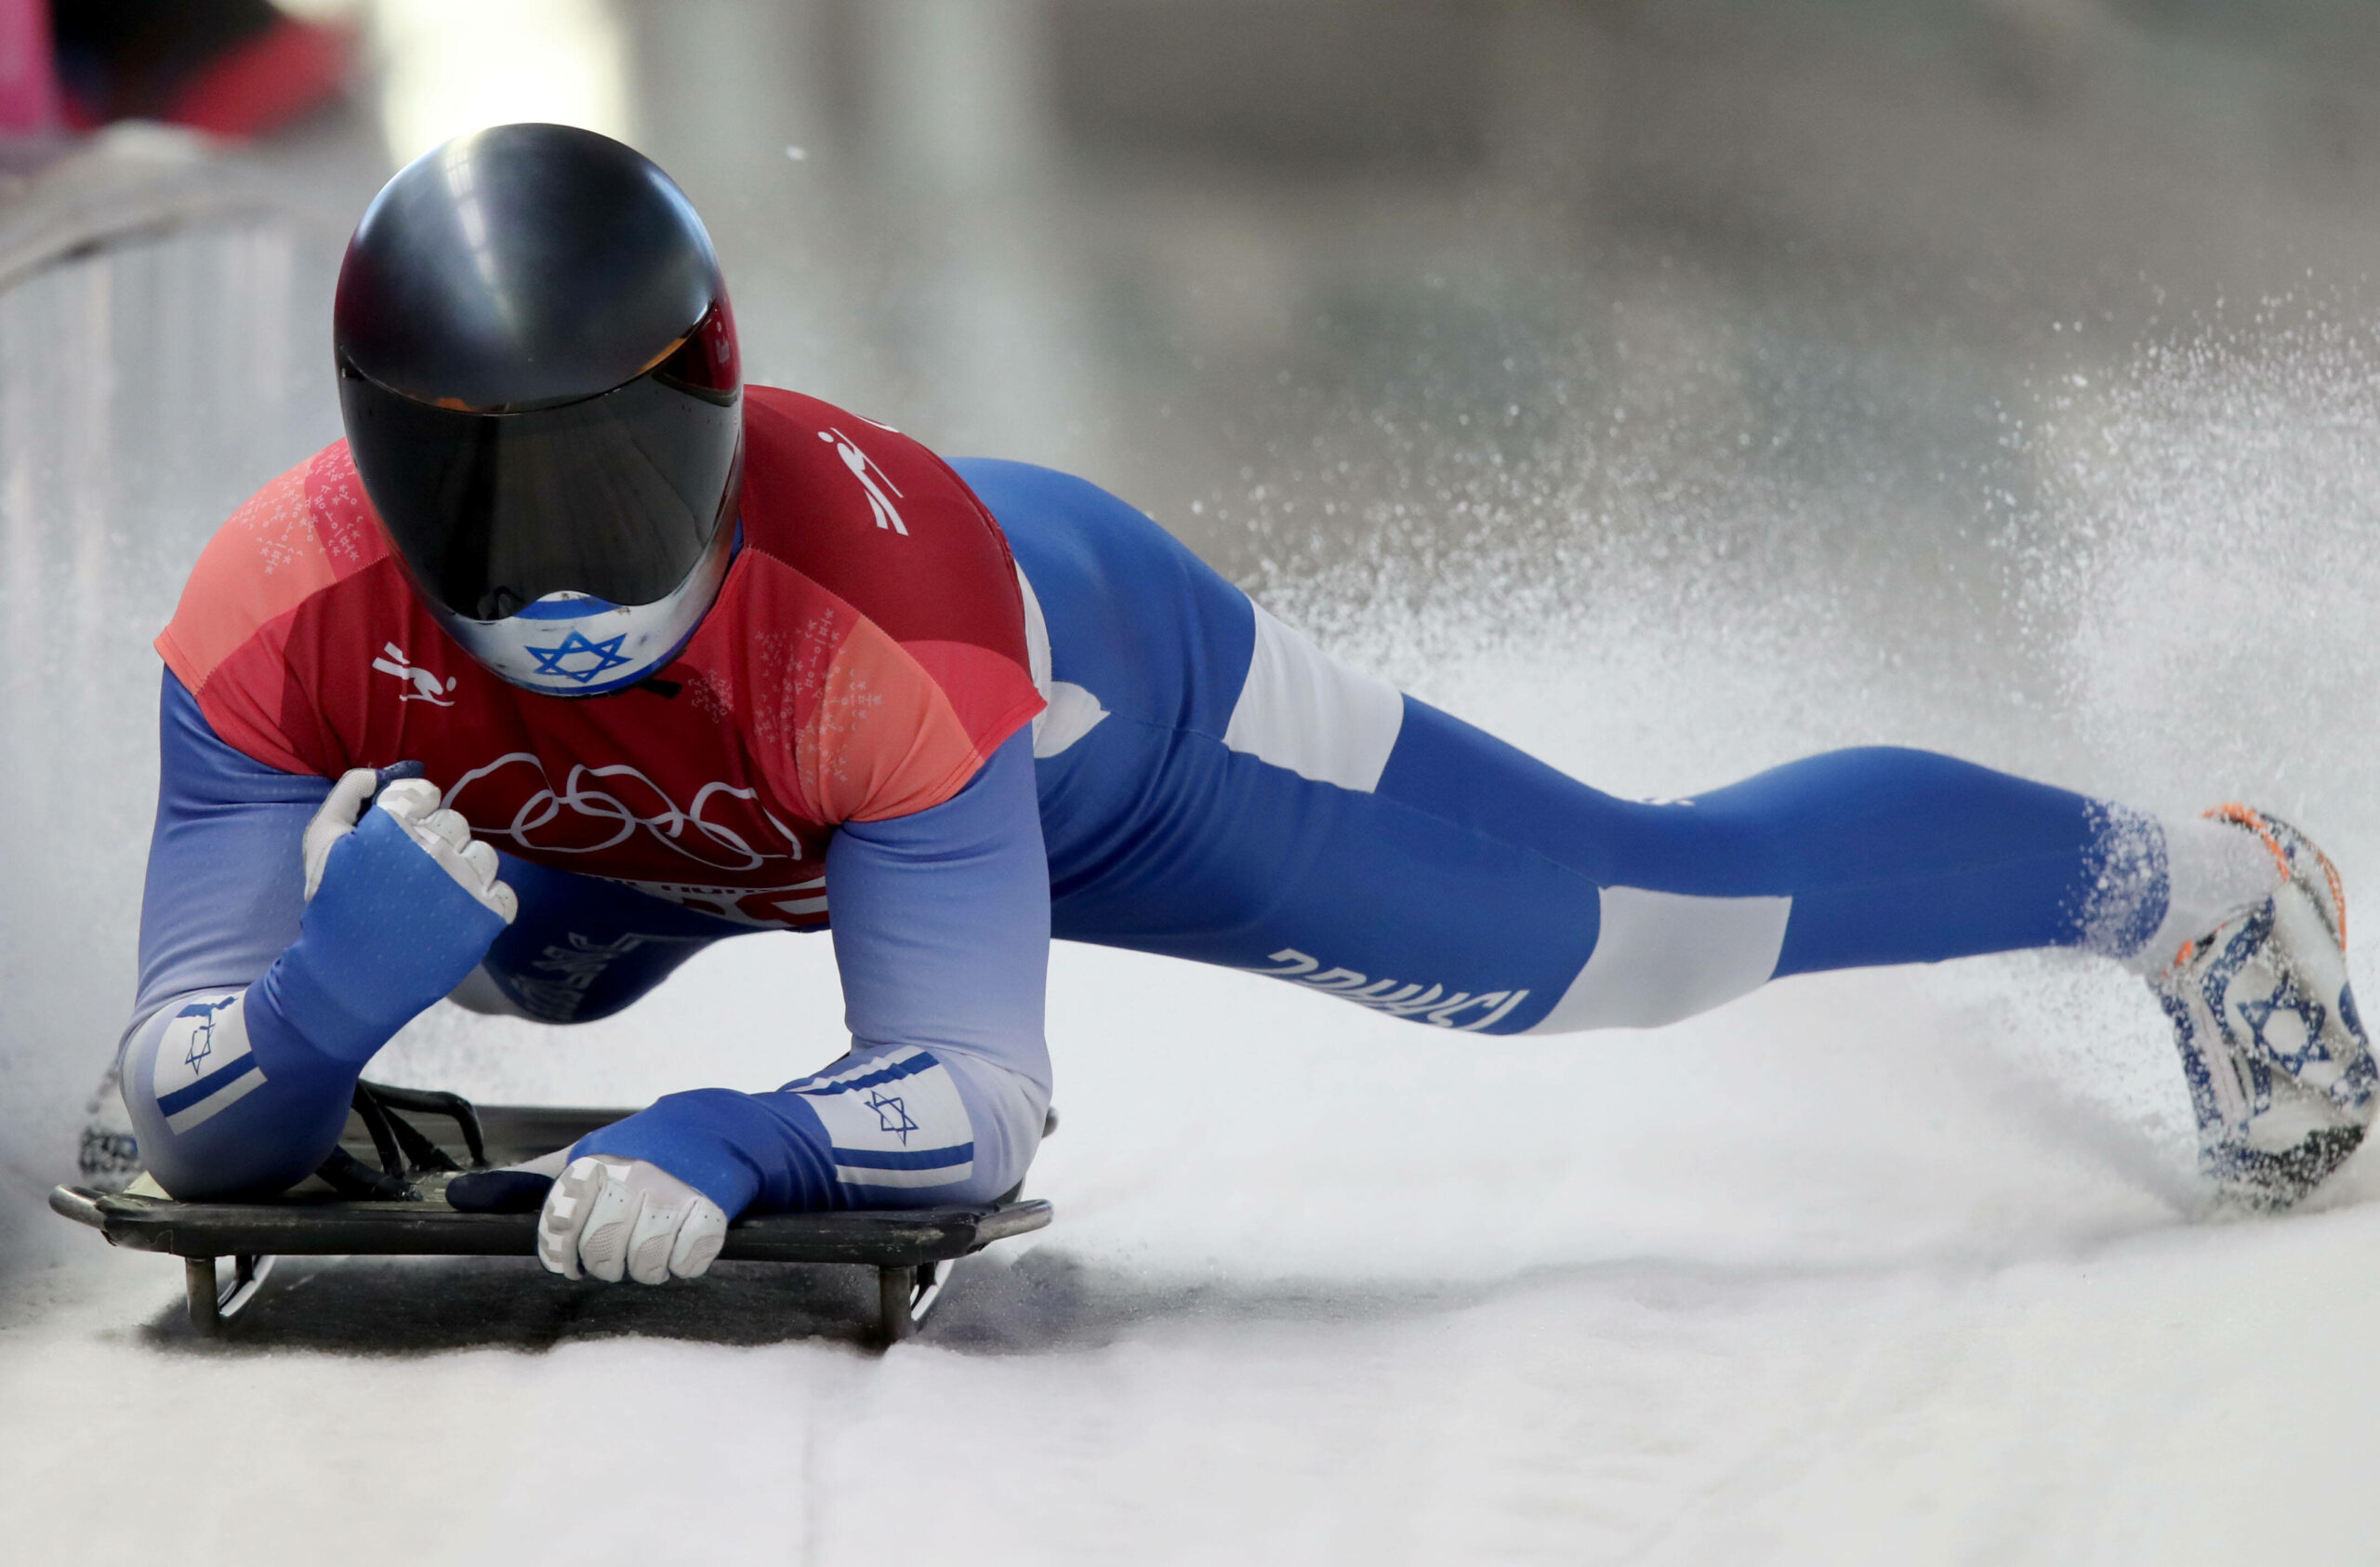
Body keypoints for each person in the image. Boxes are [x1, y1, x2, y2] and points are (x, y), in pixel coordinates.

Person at [111, 125, 2376, 1288]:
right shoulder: (265, 613)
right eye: (486, 493)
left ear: (714, 425)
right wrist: (316, 1014)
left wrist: (744, 1139)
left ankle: (2187, 889)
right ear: (369, 461)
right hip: (681, 818)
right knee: (507, 957)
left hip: (1099, 734)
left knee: (1616, 938)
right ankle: (514, 931)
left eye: (617, 480)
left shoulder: (885, 630)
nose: (566, 565)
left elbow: (976, 1107)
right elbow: (178, 1111)